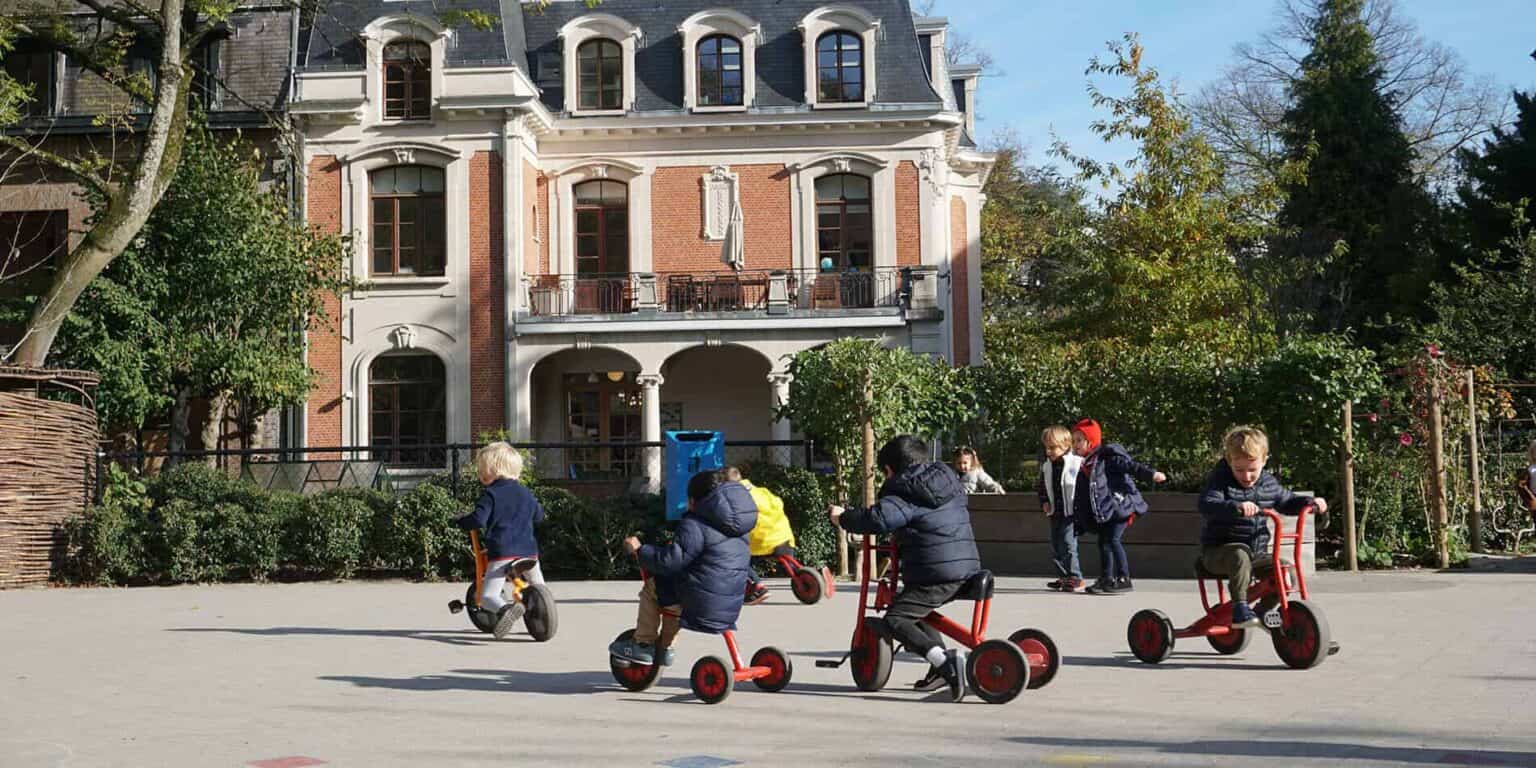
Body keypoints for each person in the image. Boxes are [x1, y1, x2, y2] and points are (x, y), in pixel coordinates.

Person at [829, 435, 981, 703]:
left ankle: (945, 663)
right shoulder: (946, 478)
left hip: (936, 573)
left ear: (889, 469)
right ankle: (938, 670)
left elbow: (878, 519)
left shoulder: (903, 489)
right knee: (913, 607)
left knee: (896, 619)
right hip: (967, 566)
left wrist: (843, 517)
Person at [608, 470, 758, 666]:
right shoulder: (738, 529)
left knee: (653, 588)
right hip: (729, 605)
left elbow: (670, 561)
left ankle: (643, 643)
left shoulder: (694, 525)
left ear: (695, 501)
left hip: (700, 603)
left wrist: (641, 550)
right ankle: (665, 647)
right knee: (672, 591)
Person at [1198, 426, 1327, 628]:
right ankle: (1240, 608)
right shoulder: (1220, 482)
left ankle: (1263, 611)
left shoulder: (1268, 483)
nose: (1247, 476)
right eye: (1239, 470)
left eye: (1252, 470)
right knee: (1239, 554)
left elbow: (1287, 501)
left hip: (1256, 554)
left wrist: (1310, 503)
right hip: (1218, 554)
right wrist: (1235, 506)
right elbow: (1207, 504)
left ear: (1264, 461)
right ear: (1230, 461)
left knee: (1284, 569)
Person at [455, 442, 546, 640]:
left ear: (492, 470)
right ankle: (543, 609)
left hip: (503, 552)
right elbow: (539, 515)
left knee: (488, 596)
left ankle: (506, 610)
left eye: (481, 469)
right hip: (530, 553)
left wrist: (462, 521)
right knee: (538, 585)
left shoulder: (491, 494)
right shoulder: (525, 492)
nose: (479, 474)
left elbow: (478, 520)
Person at [1071, 418, 1166, 595]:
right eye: (1073, 440)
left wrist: (1151, 474)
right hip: (1108, 511)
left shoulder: (1106, 458)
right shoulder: (1087, 464)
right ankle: (1107, 578)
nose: (1075, 444)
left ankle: (1124, 578)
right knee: (1104, 542)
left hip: (1121, 506)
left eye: (1079, 440)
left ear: (1091, 441)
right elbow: (1084, 495)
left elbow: (1130, 466)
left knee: (1112, 541)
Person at [727, 466, 825, 605]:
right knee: (788, 561)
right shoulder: (761, 491)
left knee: (735, 557)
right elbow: (778, 502)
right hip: (783, 534)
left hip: (761, 540)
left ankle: (756, 586)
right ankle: (809, 577)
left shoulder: (736, 497)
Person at [1036, 425, 1084, 592]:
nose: (1048, 451)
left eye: (1052, 447)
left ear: (1065, 445)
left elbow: (1082, 486)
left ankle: (1075, 577)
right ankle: (1064, 577)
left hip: (1070, 512)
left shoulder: (1076, 463)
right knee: (1056, 545)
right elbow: (1042, 487)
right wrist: (1044, 502)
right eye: (1046, 447)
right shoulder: (1047, 466)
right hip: (1055, 512)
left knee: (1068, 544)